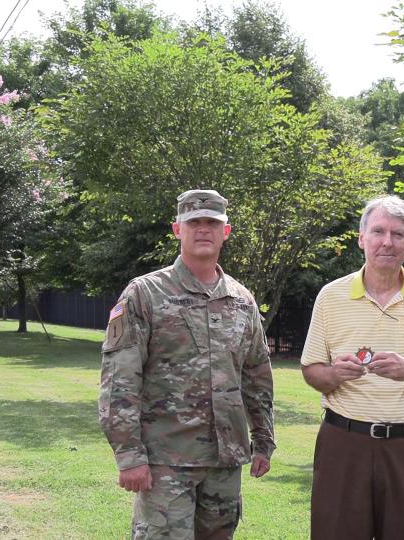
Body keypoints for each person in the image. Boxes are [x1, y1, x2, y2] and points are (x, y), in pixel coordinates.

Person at [98, 189, 275, 539]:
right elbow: (120, 379)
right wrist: (129, 454)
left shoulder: (241, 300)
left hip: (225, 460)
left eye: (213, 222)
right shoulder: (144, 294)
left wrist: (264, 439)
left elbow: (257, 374)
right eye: (194, 222)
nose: (203, 229)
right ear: (178, 229)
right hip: (166, 459)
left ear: (226, 232)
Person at [301, 195, 404, 540]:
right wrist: (332, 375)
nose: (387, 242)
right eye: (378, 232)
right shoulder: (331, 295)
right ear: (362, 238)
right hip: (344, 442)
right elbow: (311, 369)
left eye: (398, 234)